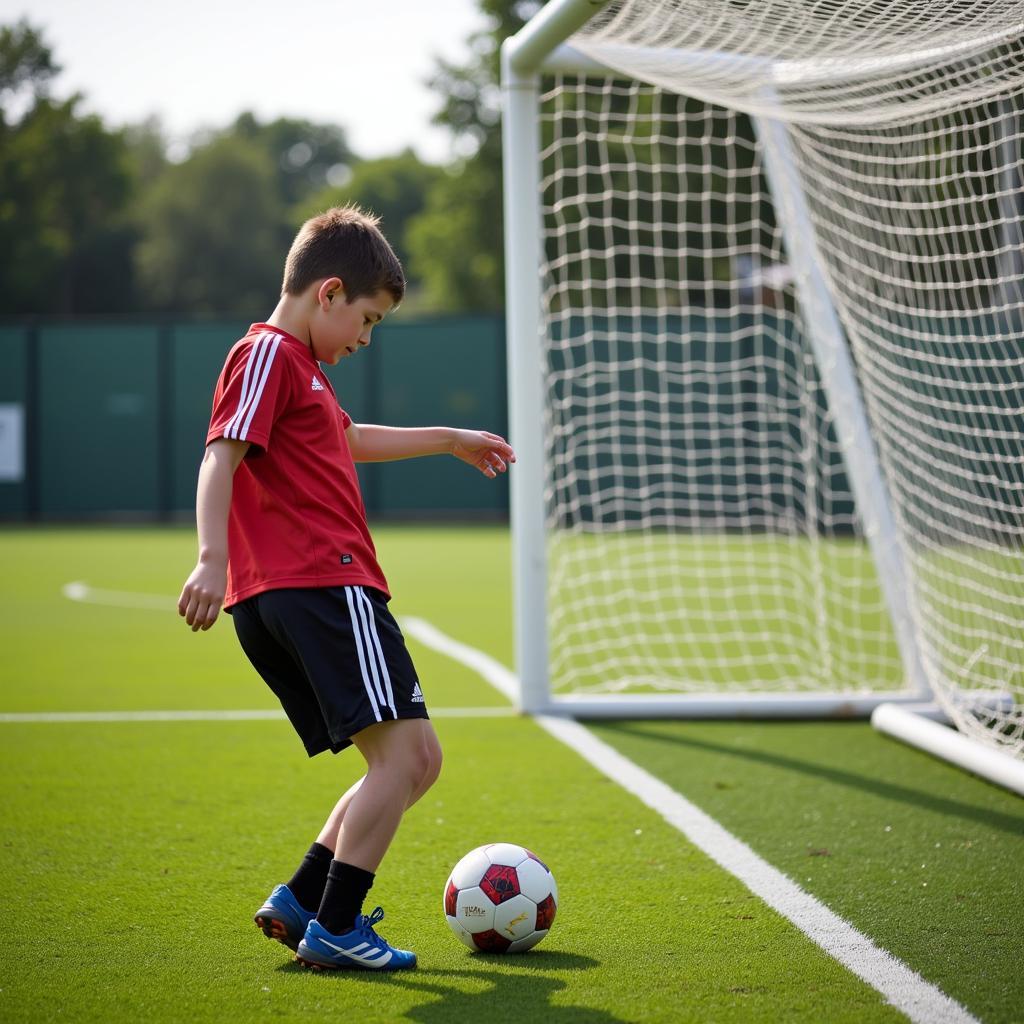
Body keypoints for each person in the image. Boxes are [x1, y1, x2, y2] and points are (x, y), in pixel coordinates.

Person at [177, 205, 515, 972]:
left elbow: (348, 440)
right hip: (321, 587)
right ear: (327, 293)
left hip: (306, 593)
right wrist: (208, 556)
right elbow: (220, 457)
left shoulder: (303, 373)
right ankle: (336, 926)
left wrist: (451, 438)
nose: (365, 339)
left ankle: (303, 899)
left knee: (413, 761)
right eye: (366, 320)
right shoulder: (266, 354)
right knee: (402, 763)